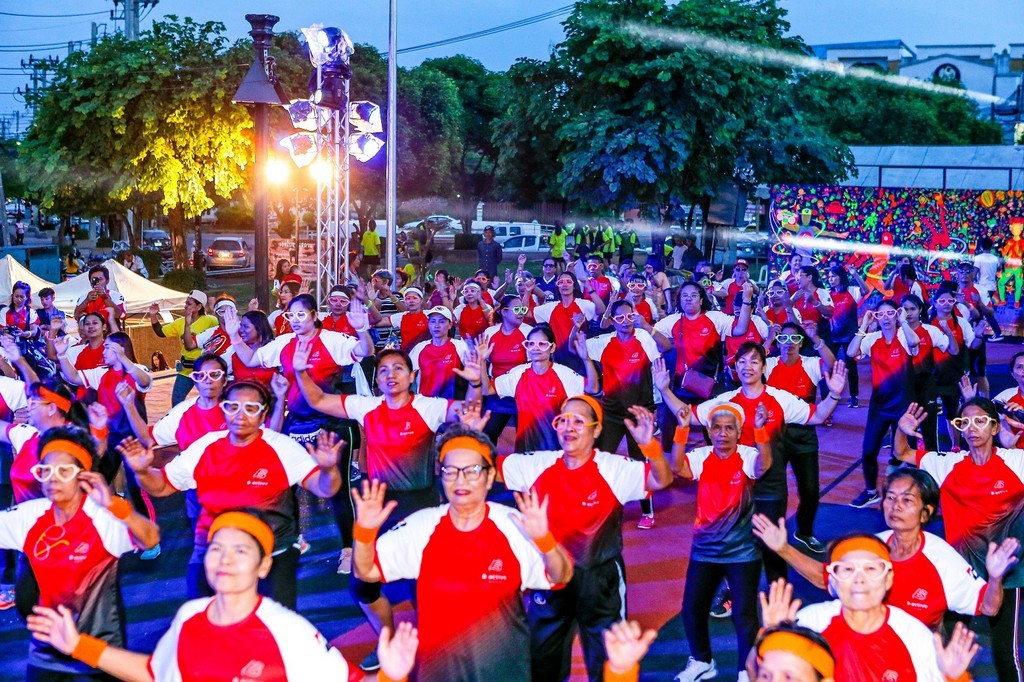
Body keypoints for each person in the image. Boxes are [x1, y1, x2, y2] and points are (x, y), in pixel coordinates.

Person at [26, 509, 420, 682]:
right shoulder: (190, 616)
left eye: (241, 550)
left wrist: (392, 674)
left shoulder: (288, 631)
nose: (225, 559)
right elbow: (156, 674)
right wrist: (78, 645)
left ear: (263, 567)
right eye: (217, 548)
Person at [352, 426, 574, 681]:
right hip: (438, 673)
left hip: (504, 672)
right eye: (451, 471)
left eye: (472, 470)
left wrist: (545, 541)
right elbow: (366, 571)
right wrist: (364, 533)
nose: (461, 480)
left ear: (489, 477)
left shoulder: (514, 526)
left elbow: (562, 576)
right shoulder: (421, 528)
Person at [119, 380, 342, 607]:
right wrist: (143, 471)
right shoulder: (205, 447)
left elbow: (325, 488)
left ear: (263, 414)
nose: (240, 415)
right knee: (204, 612)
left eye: (251, 408)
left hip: (273, 549)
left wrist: (329, 470)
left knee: (272, 619)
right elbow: (161, 486)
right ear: (223, 409)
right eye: (233, 407)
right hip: (213, 546)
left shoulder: (281, 448)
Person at [497, 397, 674, 681]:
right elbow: (484, 468)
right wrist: (470, 428)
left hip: (600, 579)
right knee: (542, 662)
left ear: (596, 430)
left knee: (607, 661)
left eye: (579, 421)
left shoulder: (613, 469)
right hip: (549, 577)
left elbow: (661, 479)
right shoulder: (536, 465)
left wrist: (649, 446)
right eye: (563, 420)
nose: (569, 427)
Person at [755, 466, 1018, 633]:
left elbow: (988, 607)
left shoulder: (942, 559)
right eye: (890, 498)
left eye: (907, 500)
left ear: (926, 512)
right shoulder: (870, 548)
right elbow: (825, 578)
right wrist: (783, 548)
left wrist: (995, 577)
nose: (895, 506)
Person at [0, 427, 159, 679]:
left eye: (64, 471)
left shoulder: (102, 517)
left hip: (99, 652)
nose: (53, 479)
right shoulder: (30, 516)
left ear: (83, 476)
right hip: (46, 650)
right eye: (45, 471)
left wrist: (115, 506)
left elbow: (151, 539)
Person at [895, 398, 1024, 681]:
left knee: (1005, 654)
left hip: (1005, 574)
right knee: (951, 648)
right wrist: (902, 430)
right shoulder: (948, 465)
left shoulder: (1016, 463)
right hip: (961, 574)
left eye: (980, 421)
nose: (971, 428)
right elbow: (902, 452)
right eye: (965, 422)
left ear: (994, 428)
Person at [765, 537, 977, 682]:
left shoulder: (912, 635)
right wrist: (770, 636)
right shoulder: (810, 623)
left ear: (888, 579)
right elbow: (757, 674)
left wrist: (954, 677)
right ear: (834, 580)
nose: (859, 578)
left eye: (871, 569)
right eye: (847, 569)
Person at [670, 402, 771, 682]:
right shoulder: (702, 456)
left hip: (742, 551)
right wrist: (681, 429)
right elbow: (678, 467)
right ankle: (703, 661)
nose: (723, 433)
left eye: (729, 428)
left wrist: (760, 431)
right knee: (692, 609)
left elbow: (763, 466)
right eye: (717, 427)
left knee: (744, 615)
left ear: (739, 432)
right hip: (705, 550)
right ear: (709, 431)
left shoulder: (748, 455)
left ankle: (746, 670)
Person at [585, 298, 661, 529]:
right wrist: (576, 331)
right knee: (600, 460)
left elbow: (666, 346)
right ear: (612, 320)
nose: (625, 321)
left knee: (640, 464)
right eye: (619, 317)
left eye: (629, 316)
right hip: (611, 413)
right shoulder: (603, 343)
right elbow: (575, 347)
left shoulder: (644, 338)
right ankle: (600, 507)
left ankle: (647, 512)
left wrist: (647, 326)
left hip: (640, 413)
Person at [652, 280, 752, 446]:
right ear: (679, 300)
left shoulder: (715, 318)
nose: (688, 299)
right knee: (670, 435)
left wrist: (747, 300)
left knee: (715, 434)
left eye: (693, 295)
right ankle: (672, 461)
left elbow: (740, 329)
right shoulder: (673, 321)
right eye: (684, 296)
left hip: (710, 387)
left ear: (701, 299)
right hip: (682, 386)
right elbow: (652, 334)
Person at [763, 322, 835, 550]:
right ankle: (771, 536)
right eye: (783, 339)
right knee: (775, 492)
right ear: (778, 343)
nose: (789, 344)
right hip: (774, 436)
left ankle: (804, 532)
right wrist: (768, 340)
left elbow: (832, 364)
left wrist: (816, 338)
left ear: (801, 343)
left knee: (810, 490)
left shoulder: (810, 364)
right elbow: (749, 364)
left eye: (795, 339)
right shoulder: (769, 365)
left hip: (804, 435)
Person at [845, 300, 919, 508]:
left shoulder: (904, 336)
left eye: (890, 313)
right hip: (879, 406)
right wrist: (863, 325)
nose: (886, 318)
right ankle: (871, 492)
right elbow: (851, 353)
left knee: (908, 452)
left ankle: (915, 492)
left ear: (897, 315)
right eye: (880, 314)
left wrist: (903, 321)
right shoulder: (872, 339)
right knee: (868, 450)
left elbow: (914, 342)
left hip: (904, 405)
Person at [483, 324, 599, 452]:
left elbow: (593, 388)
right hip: (525, 450)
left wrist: (586, 360)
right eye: (531, 344)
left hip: (554, 451)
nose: (536, 348)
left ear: (552, 348)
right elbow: (487, 390)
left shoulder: (563, 374)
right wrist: (482, 361)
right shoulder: (518, 374)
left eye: (542, 344)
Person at [149, 290, 219, 405]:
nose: (186, 306)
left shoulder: (210, 320)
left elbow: (222, 329)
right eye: (186, 303)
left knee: (209, 400)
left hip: (204, 370)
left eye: (189, 304)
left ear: (199, 307)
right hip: (185, 370)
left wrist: (212, 310)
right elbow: (160, 332)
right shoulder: (180, 322)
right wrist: (153, 315)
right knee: (176, 401)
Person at [534, 271, 604, 373]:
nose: (564, 284)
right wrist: (528, 292)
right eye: (561, 282)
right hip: (559, 358)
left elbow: (601, 310)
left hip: (580, 357)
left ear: (574, 286)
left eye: (568, 282)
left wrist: (589, 288)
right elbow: (526, 314)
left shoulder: (583, 305)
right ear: (557, 286)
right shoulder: (550, 308)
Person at [409, 306, 470, 399]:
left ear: (450, 325)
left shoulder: (460, 346)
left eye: (441, 321)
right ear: (428, 324)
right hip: (426, 403)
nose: (436, 325)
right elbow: (408, 374)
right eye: (433, 321)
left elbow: (473, 375)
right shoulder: (419, 348)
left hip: (452, 403)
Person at [377, 286, 430, 352]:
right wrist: (371, 302)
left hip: (425, 352)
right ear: (405, 301)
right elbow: (378, 322)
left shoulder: (429, 315)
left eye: (415, 298)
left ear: (421, 300)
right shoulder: (401, 316)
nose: (411, 301)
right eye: (408, 298)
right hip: (406, 353)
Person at [73, 265, 125, 332]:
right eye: (94, 279)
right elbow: (76, 316)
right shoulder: (84, 297)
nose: (97, 282)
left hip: (111, 334)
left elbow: (120, 315)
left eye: (100, 279)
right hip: (92, 334)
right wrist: (87, 301)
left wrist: (105, 297)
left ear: (107, 280)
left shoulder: (116, 296)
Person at [974, 236, 1004, 340]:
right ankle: (978, 332)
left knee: (984, 311)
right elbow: (999, 269)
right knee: (981, 311)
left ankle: (998, 333)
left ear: (981, 246)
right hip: (991, 286)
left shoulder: (978, 258)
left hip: (982, 287)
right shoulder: (995, 258)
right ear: (991, 247)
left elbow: (975, 273)